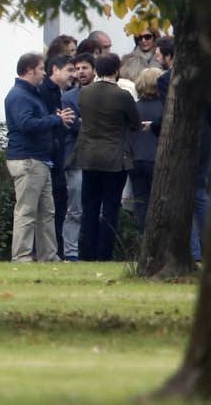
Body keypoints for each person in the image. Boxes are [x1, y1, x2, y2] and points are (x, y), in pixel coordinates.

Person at [5, 53, 75, 263]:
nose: (45, 73)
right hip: (27, 160)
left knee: (47, 212)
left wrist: (53, 120)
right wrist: (54, 119)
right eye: (41, 68)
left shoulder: (31, 94)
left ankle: (48, 255)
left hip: (40, 160)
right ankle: (22, 256)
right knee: (26, 211)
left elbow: (35, 120)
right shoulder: (19, 96)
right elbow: (26, 124)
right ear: (29, 70)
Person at [71, 53, 140, 261]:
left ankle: (86, 251)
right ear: (116, 69)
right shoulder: (122, 96)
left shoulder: (85, 93)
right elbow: (135, 123)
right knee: (110, 207)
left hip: (89, 156)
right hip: (114, 158)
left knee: (89, 206)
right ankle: (104, 252)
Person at [40, 54, 77, 258]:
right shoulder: (47, 92)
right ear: (55, 69)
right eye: (70, 70)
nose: (74, 75)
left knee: (58, 206)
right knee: (52, 206)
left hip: (58, 157)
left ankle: (56, 251)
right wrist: (56, 121)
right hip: (51, 158)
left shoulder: (61, 92)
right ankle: (52, 251)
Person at [60, 51, 96, 260]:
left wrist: (86, 121)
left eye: (85, 68)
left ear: (94, 70)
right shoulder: (69, 97)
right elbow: (73, 125)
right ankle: (71, 253)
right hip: (77, 158)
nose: (80, 72)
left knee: (94, 208)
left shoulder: (103, 93)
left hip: (100, 157)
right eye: (77, 69)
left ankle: (93, 251)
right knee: (75, 208)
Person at [129, 67, 164, 230]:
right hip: (157, 158)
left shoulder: (134, 108)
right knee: (159, 202)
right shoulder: (165, 108)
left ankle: (142, 238)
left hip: (136, 159)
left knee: (140, 202)